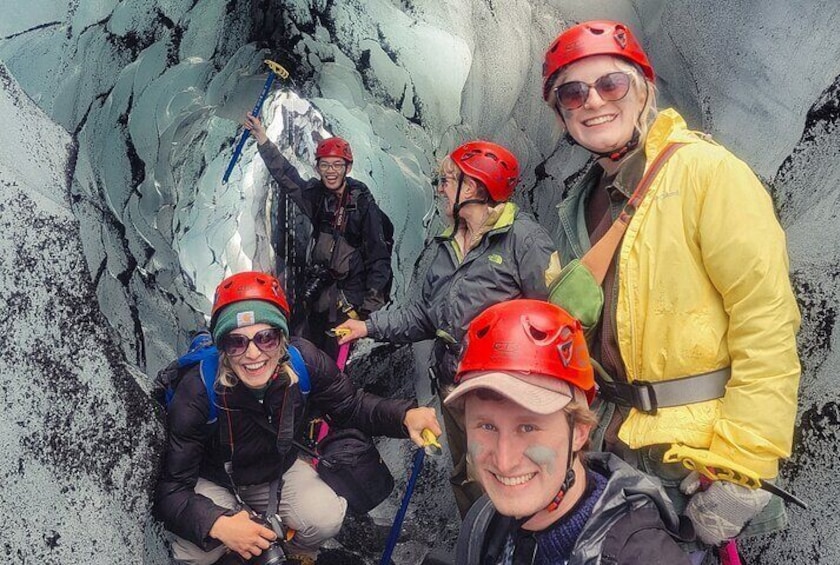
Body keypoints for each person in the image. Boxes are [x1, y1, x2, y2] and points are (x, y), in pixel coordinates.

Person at [541, 20, 802, 559]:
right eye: (573, 92)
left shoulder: (708, 174)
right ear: (562, 114)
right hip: (611, 445)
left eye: (609, 84)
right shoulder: (579, 203)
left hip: (693, 461)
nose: (593, 102)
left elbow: (766, 320)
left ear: (642, 89)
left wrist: (743, 465)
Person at [334, 140, 560, 518]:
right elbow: (424, 316)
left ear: (471, 188)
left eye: (447, 179)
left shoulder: (525, 241)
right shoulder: (446, 244)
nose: (439, 187)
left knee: (510, 477)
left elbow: (553, 319)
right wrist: (367, 327)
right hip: (453, 383)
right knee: (468, 477)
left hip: (502, 394)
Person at [153, 271, 441, 565]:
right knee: (198, 555)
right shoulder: (197, 391)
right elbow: (172, 490)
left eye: (266, 337)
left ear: (281, 338)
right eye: (236, 342)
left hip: (276, 471)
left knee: (324, 517)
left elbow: (351, 405)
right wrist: (219, 524)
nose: (253, 354)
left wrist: (404, 416)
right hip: (215, 480)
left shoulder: (304, 361)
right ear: (223, 348)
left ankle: (293, 553)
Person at [446, 299, 692, 564]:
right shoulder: (484, 522)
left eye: (528, 427)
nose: (505, 462)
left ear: (580, 431)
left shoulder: (643, 556)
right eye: (487, 426)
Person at [244, 115, 393, 358]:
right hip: (321, 293)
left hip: (349, 301)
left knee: (334, 364)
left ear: (348, 168)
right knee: (303, 351)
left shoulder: (363, 207)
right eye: (325, 165)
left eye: (337, 165)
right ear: (317, 167)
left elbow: (379, 259)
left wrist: (365, 312)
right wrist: (262, 140)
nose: (330, 171)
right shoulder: (318, 198)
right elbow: (288, 178)